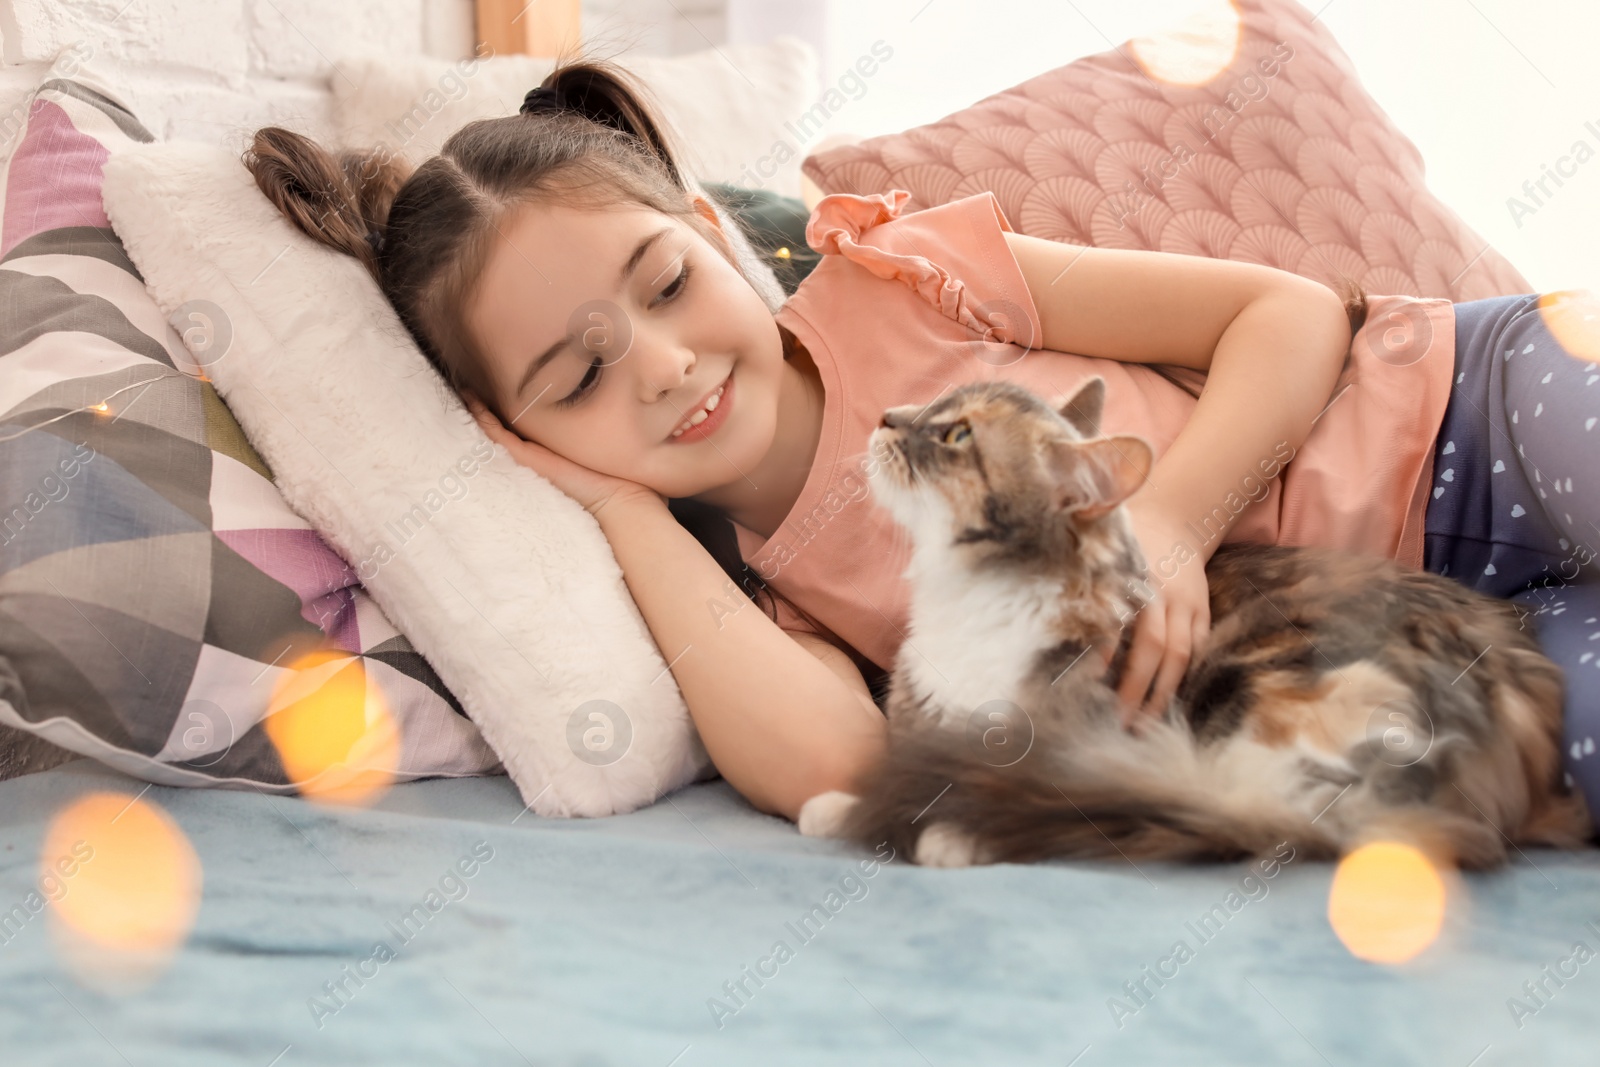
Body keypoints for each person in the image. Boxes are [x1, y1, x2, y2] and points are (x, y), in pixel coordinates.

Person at [245, 55, 1599, 828]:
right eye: (577, 377)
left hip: (1459, 412)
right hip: (1445, 657)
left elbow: (1293, 317)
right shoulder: (768, 592)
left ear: (716, 233)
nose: (661, 367)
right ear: (522, 431)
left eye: (665, 285)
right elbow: (839, 766)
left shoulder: (903, 274)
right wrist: (621, 515)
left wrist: (1174, 522)